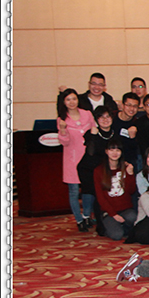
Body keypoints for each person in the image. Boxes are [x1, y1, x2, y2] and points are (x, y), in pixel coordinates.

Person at [56, 88, 97, 231]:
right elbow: (65, 142)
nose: (71, 102)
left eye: (74, 98)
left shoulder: (87, 114)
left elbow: (94, 131)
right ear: (64, 102)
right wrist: (62, 130)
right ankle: (79, 220)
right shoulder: (62, 119)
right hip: (72, 159)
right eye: (68, 99)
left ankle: (87, 216)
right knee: (73, 191)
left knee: (88, 189)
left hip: (88, 158)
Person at [76, 105, 117, 231]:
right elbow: (91, 153)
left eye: (107, 116)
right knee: (97, 196)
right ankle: (100, 225)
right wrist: (93, 136)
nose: (105, 120)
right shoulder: (92, 133)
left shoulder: (115, 133)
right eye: (101, 117)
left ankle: (107, 222)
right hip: (88, 169)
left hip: (104, 169)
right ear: (96, 120)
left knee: (106, 195)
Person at [93, 138, 137, 241]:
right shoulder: (99, 171)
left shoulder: (126, 167)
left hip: (125, 209)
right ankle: (108, 226)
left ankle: (122, 227)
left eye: (117, 150)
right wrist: (113, 214)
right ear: (106, 151)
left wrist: (130, 174)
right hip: (109, 211)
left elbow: (132, 191)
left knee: (133, 217)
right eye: (111, 150)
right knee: (117, 235)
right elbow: (100, 197)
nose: (114, 153)